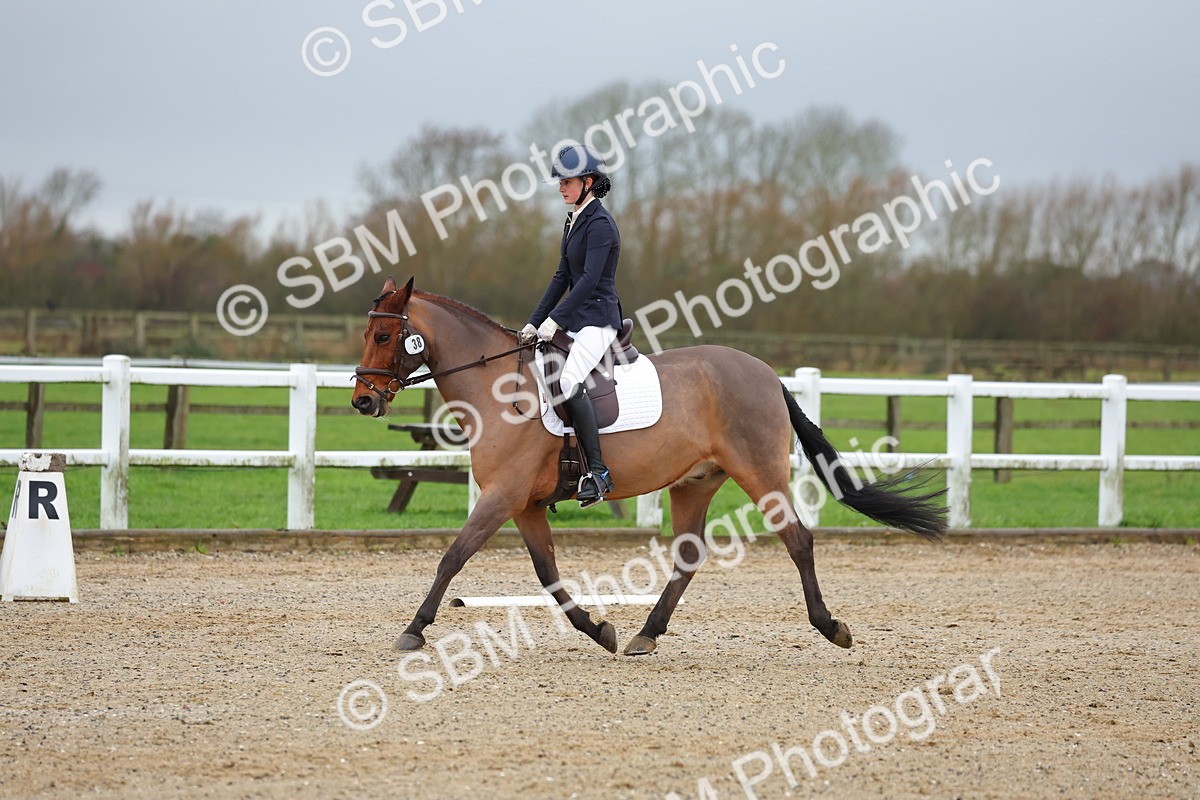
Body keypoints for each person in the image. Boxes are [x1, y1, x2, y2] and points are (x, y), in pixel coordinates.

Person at [520, 144, 621, 508]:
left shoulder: (601, 225)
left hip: (598, 320)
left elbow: (589, 279)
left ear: (588, 182)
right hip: (576, 320)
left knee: (567, 381)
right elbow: (563, 276)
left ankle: (598, 472)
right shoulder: (573, 220)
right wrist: (534, 323)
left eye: (567, 182)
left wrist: (556, 320)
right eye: (559, 182)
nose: (560, 188)